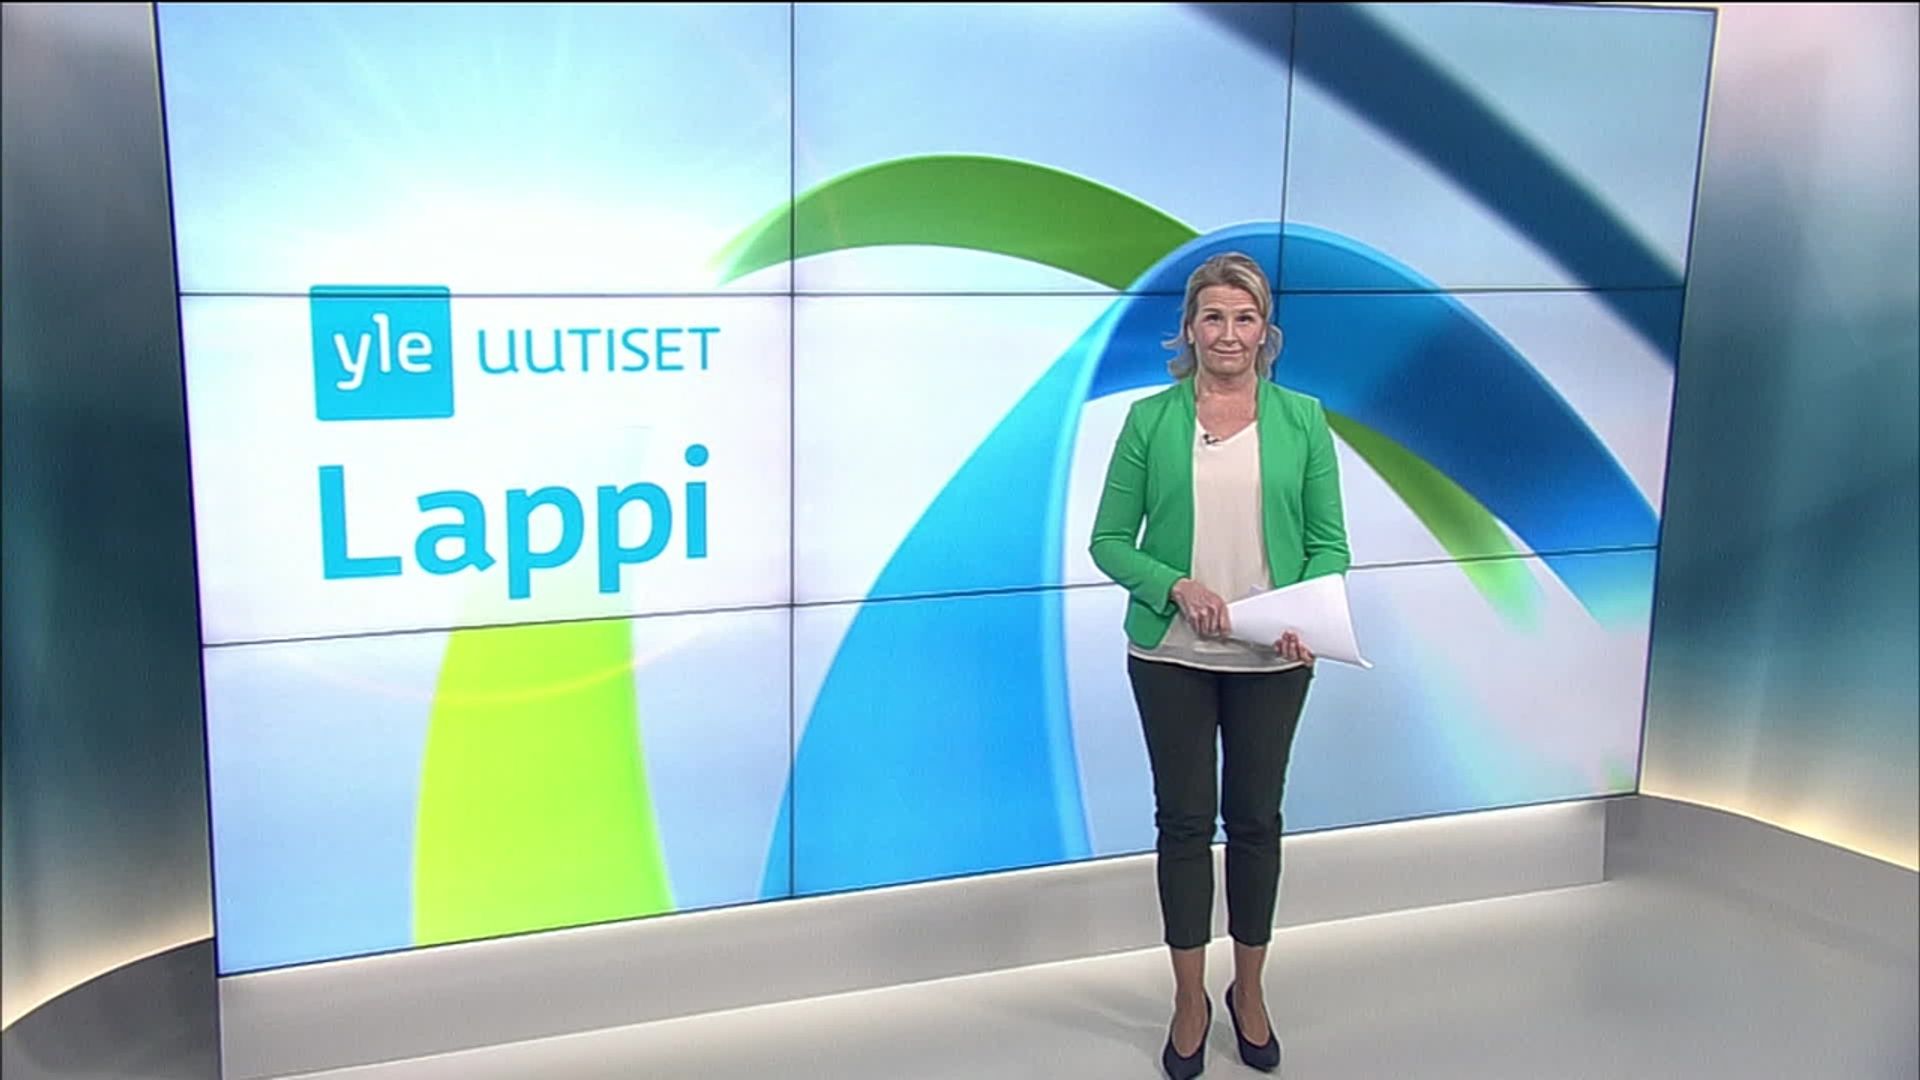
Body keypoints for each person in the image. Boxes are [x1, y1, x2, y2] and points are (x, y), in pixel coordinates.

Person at [1089, 251, 1350, 1078]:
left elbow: (1329, 544)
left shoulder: (1303, 420)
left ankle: (1251, 991)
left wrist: (1303, 613)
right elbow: (1107, 542)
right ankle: (1190, 999)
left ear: (1265, 331)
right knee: (1184, 824)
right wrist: (1174, 584)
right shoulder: (1150, 421)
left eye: (1244, 317)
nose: (1228, 333)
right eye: (1213, 317)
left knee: (1256, 821)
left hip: (1273, 659)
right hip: (1170, 655)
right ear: (1190, 329)